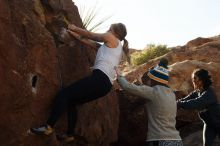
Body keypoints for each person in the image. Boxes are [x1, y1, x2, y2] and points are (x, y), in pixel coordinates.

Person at [29, 23, 130, 142]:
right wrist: (74, 34)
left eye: (110, 28)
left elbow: (92, 36)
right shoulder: (113, 47)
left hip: (99, 79)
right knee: (71, 102)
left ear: (115, 32)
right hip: (105, 86)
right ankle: (70, 135)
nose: (107, 29)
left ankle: (48, 127)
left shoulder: (111, 38)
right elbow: (86, 41)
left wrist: (74, 28)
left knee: (64, 94)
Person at [115, 58, 183, 146]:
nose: (150, 81)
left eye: (151, 79)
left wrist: (119, 75)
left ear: (154, 80)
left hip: (159, 140)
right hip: (176, 140)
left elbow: (127, 86)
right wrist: (141, 84)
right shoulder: (171, 93)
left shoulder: (153, 92)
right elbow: (149, 93)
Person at [177, 68, 220, 146]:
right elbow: (186, 99)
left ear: (201, 80)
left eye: (194, 79)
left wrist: (178, 104)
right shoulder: (198, 91)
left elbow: (194, 103)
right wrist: (177, 103)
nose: (193, 81)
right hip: (209, 125)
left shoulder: (209, 94)